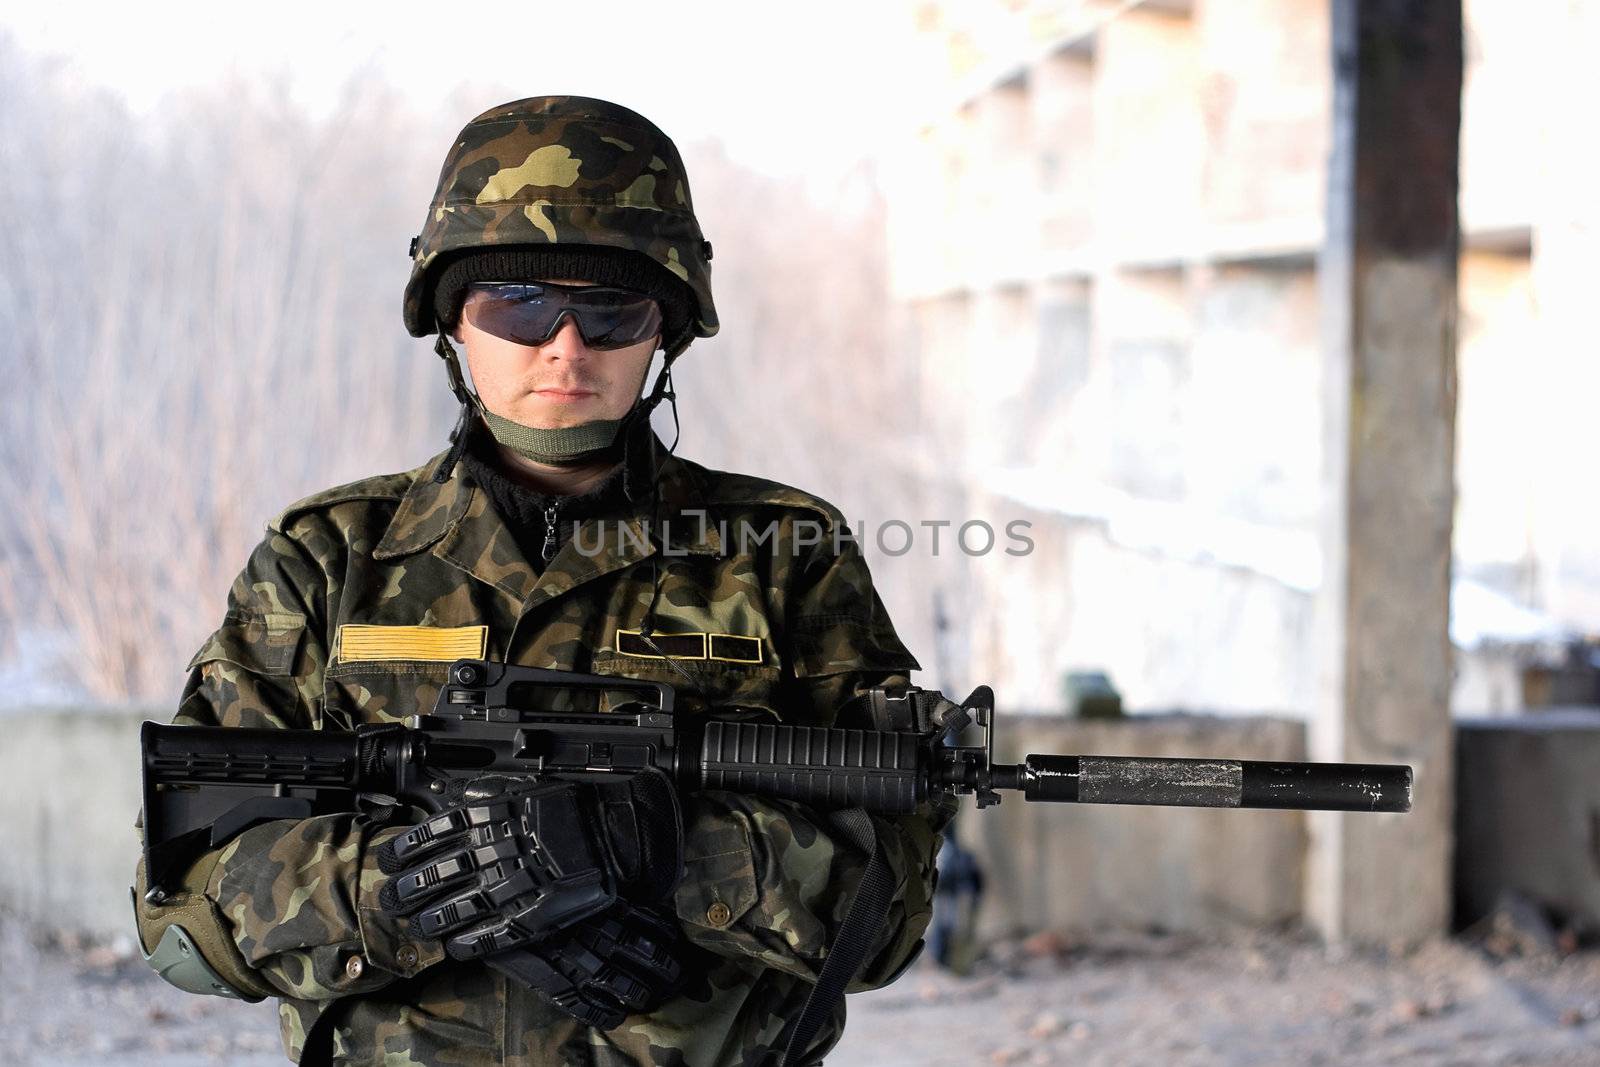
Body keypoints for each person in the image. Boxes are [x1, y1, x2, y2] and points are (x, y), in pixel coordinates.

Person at [131, 95, 952, 1067]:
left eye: (610, 310)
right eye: (517, 305)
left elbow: (887, 921)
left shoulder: (780, 548)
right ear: (451, 321)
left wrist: (664, 850)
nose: (565, 346)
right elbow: (184, 922)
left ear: (666, 330)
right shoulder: (329, 558)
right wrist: (418, 881)